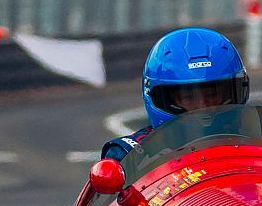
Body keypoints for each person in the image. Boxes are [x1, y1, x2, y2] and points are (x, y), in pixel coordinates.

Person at [101, 27, 249, 162]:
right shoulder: (130, 155)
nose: (203, 106)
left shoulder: (258, 143)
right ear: (160, 98)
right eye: (189, 97)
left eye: (212, 95)